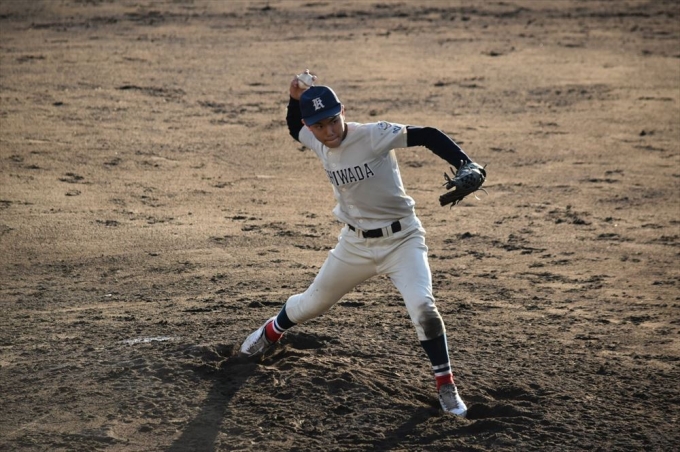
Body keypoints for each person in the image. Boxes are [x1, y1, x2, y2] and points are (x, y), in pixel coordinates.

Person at [240, 70, 486, 417]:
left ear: (342, 112)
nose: (330, 131)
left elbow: (428, 135)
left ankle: (446, 386)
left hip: (402, 241)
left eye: (333, 120)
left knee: (424, 309)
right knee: (312, 303)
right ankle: (270, 331)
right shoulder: (315, 139)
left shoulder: (372, 135)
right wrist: (294, 99)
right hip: (353, 246)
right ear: (311, 127)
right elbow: (294, 126)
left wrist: (464, 162)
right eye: (320, 126)